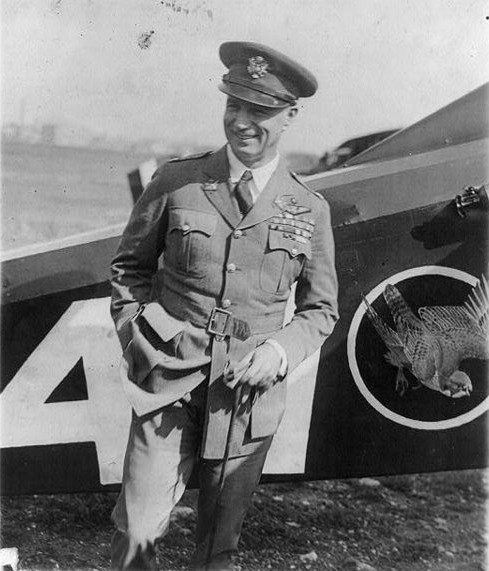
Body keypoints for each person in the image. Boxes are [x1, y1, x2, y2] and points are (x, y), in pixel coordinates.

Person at [110, 40, 339, 571]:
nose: (241, 122)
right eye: (234, 105)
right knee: (136, 532)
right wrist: (139, 338)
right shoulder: (177, 182)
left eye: (259, 111)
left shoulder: (308, 208)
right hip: (167, 382)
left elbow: (320, 309)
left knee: (217, 548)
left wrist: (279, 352)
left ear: (290, 116)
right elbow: (128, 270)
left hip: (245, 399)